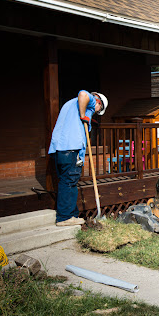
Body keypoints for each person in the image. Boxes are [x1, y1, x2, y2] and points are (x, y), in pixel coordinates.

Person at [48, 90, 108, 226]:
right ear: (99, 103)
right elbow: (83, 94)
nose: (95, 112)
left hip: (59, 149)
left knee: (65, 182)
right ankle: (64, 217)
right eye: (98, 110)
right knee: (69, 182)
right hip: (71, 148)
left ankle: (72, 214)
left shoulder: (69, 104)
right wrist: (83, 115)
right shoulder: (91, 102)